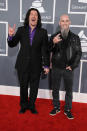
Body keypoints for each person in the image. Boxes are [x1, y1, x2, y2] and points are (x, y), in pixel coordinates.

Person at [7, 8, 49, 114]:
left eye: (36, 14)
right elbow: (12, 44)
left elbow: (45, 50)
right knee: (23, 86)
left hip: (36, 64)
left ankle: (32, 106)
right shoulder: (21, 30)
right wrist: (11, 36)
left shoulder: (43, 32)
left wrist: (47, 65)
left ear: (38, 18)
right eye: (31, 14)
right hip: (22, 64)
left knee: (34, 87)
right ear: (28, 17)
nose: (33, 16)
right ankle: (23, 105)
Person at [49, 14, 82, 119]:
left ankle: (67, 109)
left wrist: (73, 66)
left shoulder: (75, 38)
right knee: (55, 89)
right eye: (62, 21)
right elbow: (47, 50)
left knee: (69, 90)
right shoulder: (54, 36)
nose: (64, 23)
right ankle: (56, 107)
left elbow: (78, 53)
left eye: (66, 21)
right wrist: (53, 43)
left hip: (68, 68)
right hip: (56, 68)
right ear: (59, 23)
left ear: (69, 22)